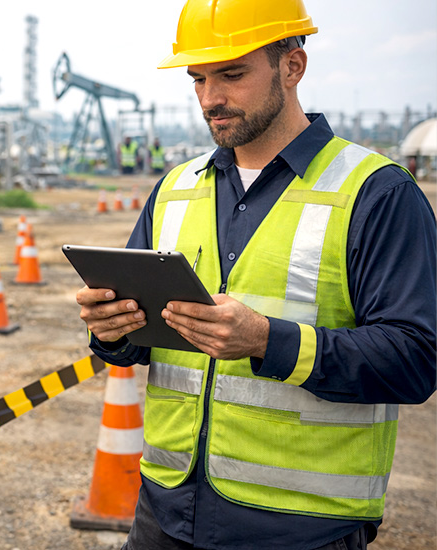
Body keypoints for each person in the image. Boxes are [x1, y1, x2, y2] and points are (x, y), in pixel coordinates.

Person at [75, 1, 436, 549]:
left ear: (293, 66)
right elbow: (140, 347)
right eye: (198, 78)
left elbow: (415, 360)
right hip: (165, 511)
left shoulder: (376, 192)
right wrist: (111, 330)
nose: (210, 98)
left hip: (301, 525)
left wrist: (269, 341)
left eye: (232, 74)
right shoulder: (175, 189)